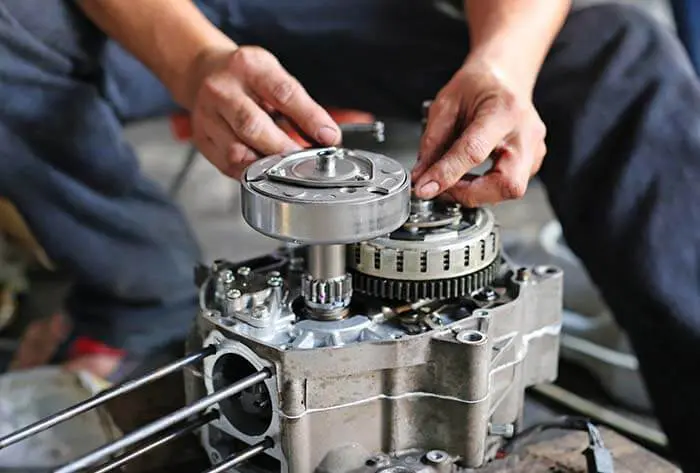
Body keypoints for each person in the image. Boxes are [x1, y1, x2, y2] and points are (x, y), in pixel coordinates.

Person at [1, 0, 698, 469]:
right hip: (180, 14)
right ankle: (140, 298)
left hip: (378, 14)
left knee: (621, 48)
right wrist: (193, 63)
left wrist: (501, 67)